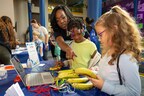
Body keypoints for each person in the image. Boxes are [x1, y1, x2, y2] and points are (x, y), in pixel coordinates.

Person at [88, 5, 142, 96]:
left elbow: (134, 92)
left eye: (100, 35)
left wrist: (103, 86)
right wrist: (96, 71)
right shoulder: (108, 51)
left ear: (114, 30)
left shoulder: (125, 58)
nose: (99, 39)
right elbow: (112, 75)